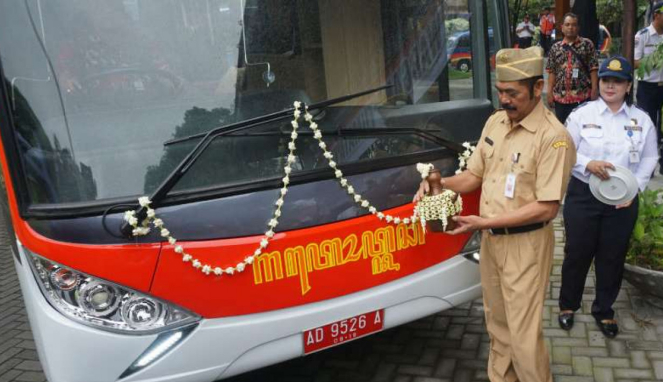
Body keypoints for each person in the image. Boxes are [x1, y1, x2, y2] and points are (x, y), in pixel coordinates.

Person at [414, 46, 576, 382]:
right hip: (491, 244)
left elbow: (548, 206)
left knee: (523, 336)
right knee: (497, 326)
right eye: (500, 91)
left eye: (513, 93)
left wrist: (484, 222)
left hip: (526, 247)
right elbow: (474, 176)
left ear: (537, 88)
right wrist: (438, 183)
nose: (505, 100)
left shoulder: (553, 137)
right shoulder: (495, 122)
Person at [557, 56, 659, 338]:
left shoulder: (642, 120)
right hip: (583, 196)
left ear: (628, 85)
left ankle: (604, 310)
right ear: (598, 82)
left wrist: (635, 188)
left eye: (617, 81)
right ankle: (568, 305)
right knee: (577, 252)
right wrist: (587, 164)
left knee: (611, 257)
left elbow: (650, 156)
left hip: (622, 200)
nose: (610, 86)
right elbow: (565, 151)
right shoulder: (581, 115)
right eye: (605, 80)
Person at [546, 13, 599, 124]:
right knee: (563, 128)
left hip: (582, 96)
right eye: (567, 24)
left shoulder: (587, 45)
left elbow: (593, 68)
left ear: (578, 28)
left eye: (574, 25)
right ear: (562, 27)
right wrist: (549, 92)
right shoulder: (555, 48)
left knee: (582, 127)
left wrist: (595, 89)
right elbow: (552, 71)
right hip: (560, 98)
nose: (571, 27)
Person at [634, 0, 663, 174]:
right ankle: (648, 167)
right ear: (656, 15)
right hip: (648, 88)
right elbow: (635, 62)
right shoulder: (642, 35)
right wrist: (654, 61)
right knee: (649, 127)